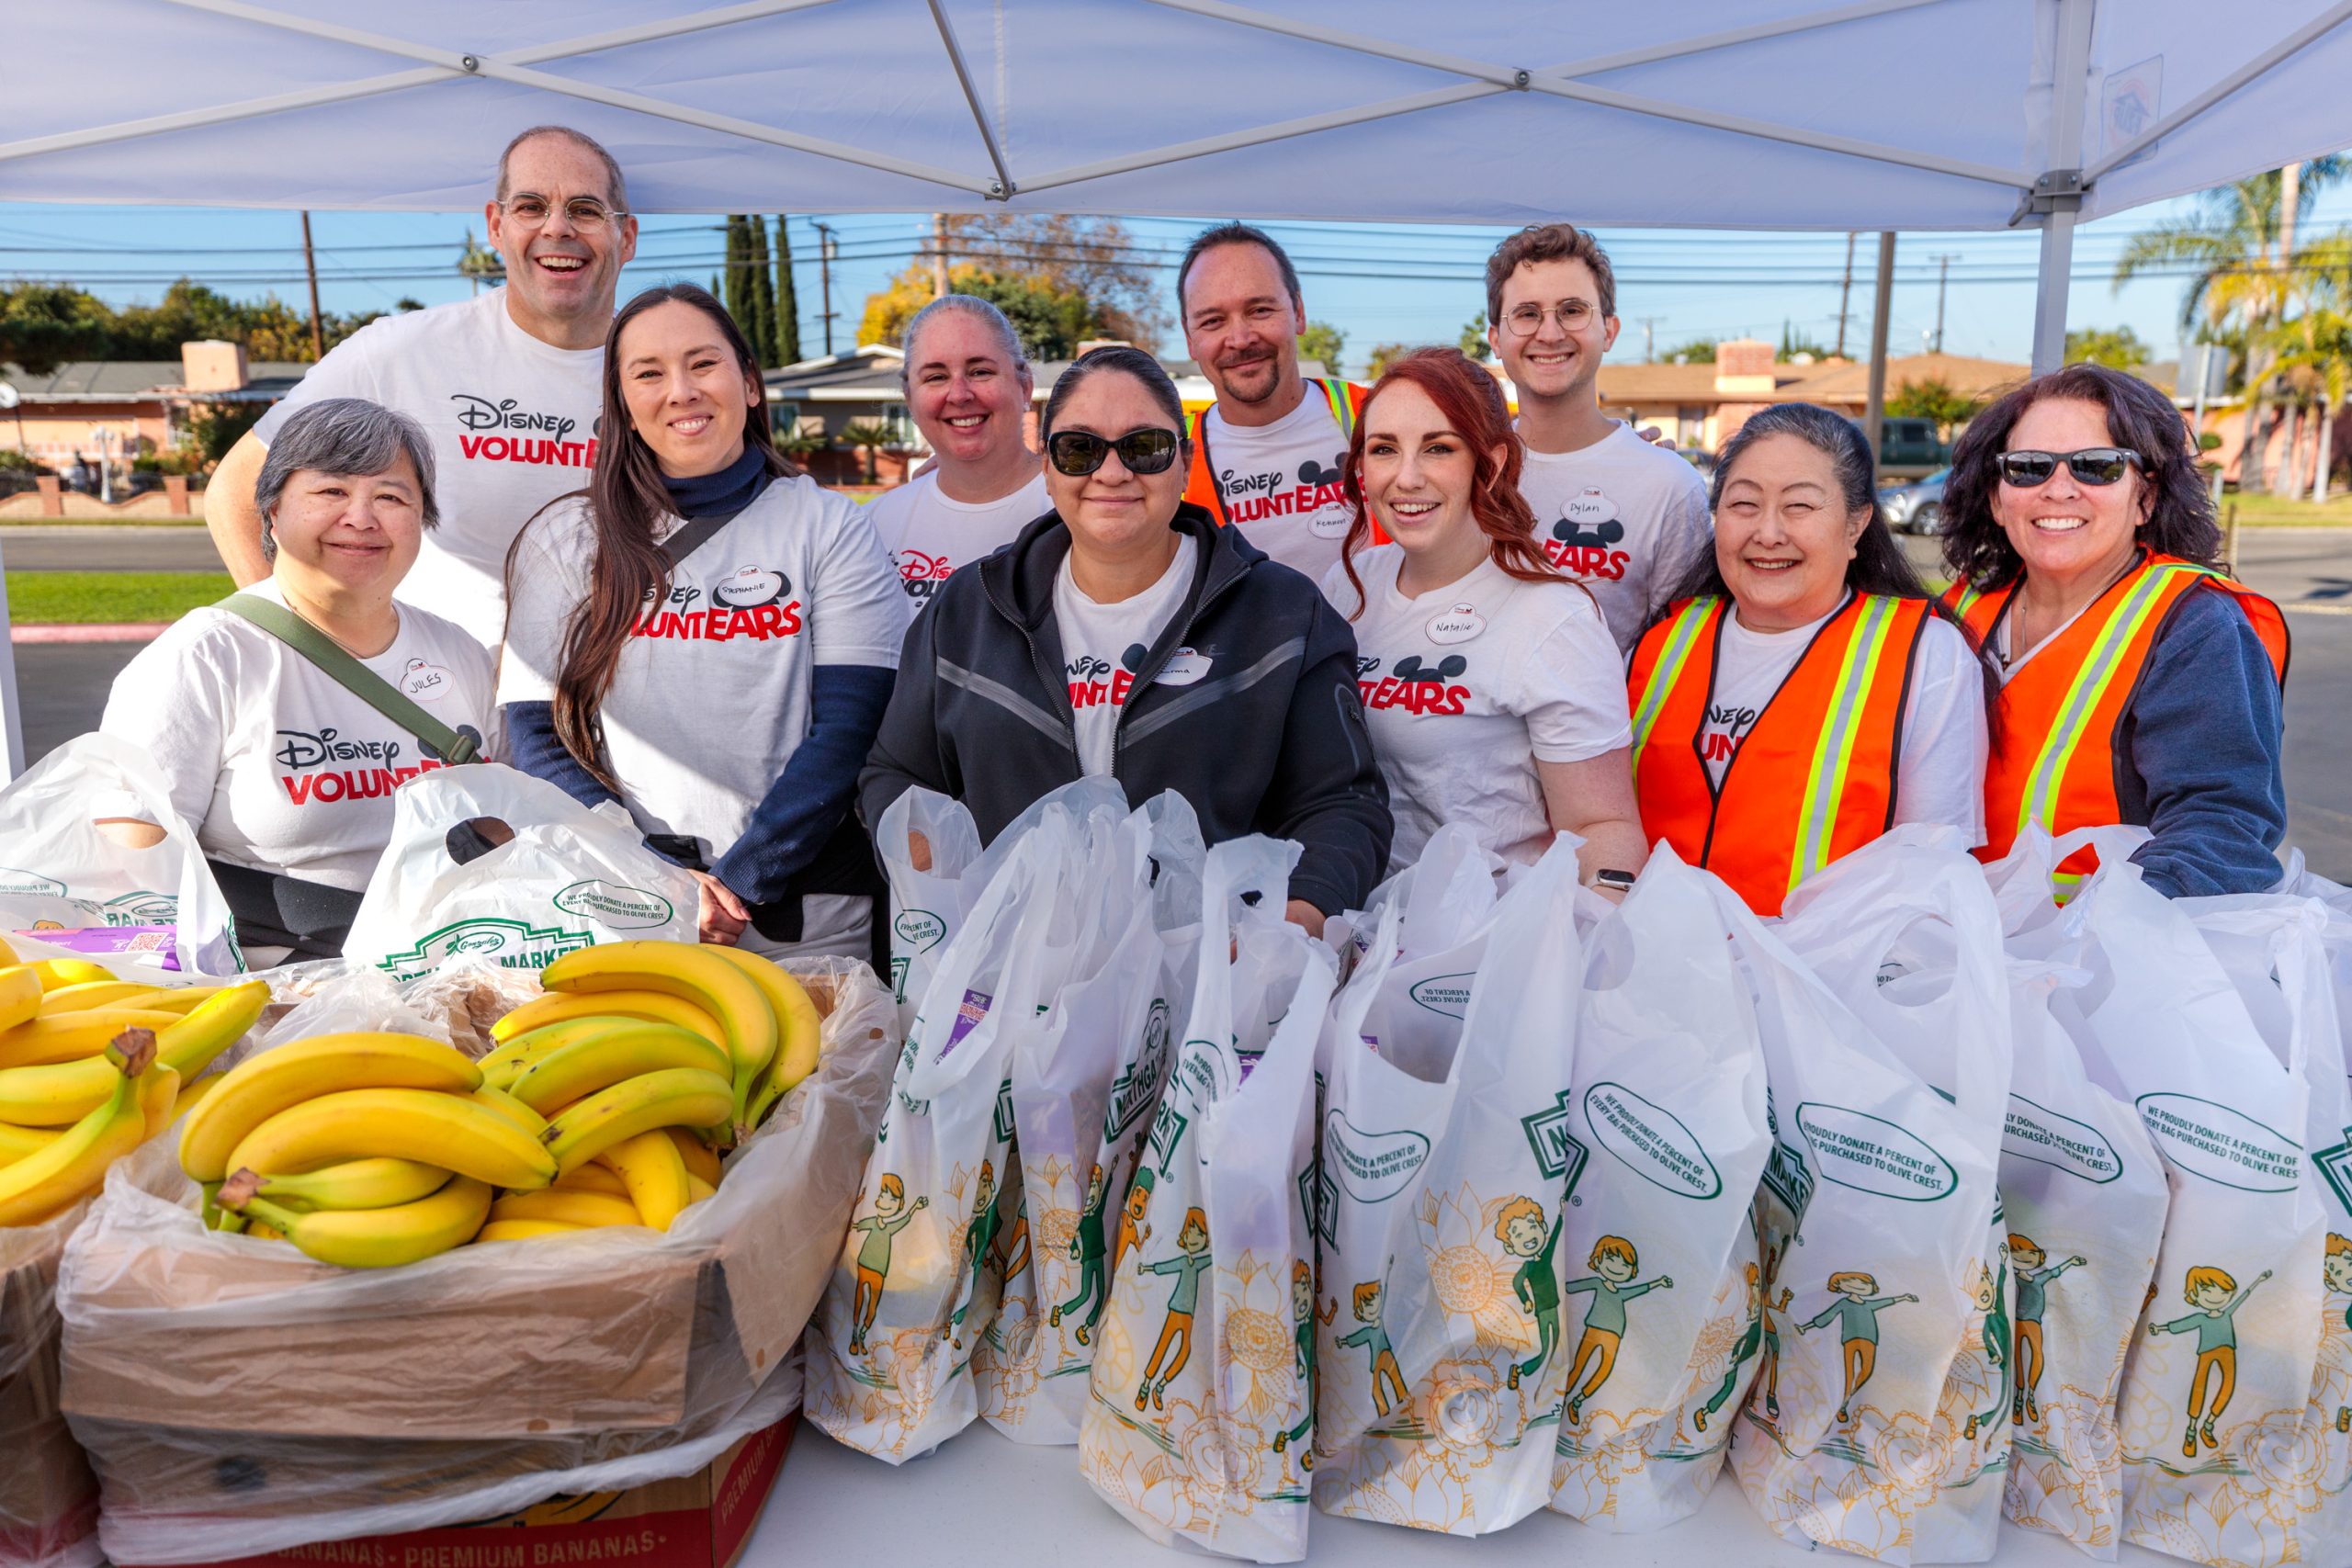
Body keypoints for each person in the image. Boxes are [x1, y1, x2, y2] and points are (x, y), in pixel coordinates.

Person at [861, 344, 1390, 934]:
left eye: (1144, 448)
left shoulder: (1283, 614)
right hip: (1008, 982)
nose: (1112, 473)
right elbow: (895, 772)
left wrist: (1292, 922)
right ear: (1047, 466)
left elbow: (1343, 806)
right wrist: (936, 875)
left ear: (1184, 462)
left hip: (1209, 983)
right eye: (1079, 449)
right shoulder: (966, 609)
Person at [501, 284, 909, 959]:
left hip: (804, 917)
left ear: (749, 384)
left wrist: (743, 879)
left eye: (703, 363)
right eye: (649, 373)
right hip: (622, 905)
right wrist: (648, 879)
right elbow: (537, 739)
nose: (681, 390)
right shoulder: (564, 539)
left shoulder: (827, 524)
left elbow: (852, 727)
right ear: (624, 406)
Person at [207, 127, 639, 649]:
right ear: (496, 226)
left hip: (608, 702)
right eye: (530, 206)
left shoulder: (665, 374)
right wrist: (296, 647)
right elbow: (236, 491)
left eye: (586, 210)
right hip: (432, 706)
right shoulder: (397, 352)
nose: (557, 228)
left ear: (627, 237)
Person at [100, 399, 496, 958]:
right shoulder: (206, 657)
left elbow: (504, 823)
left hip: (455, 978)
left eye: (391, 496)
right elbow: (131, 870)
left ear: (421, 520)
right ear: (271, 513)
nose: (361, 517)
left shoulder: (460, 655)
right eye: (330, 492)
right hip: (272, 998)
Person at [1939, 364, 2289, 897]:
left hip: (2107, 961)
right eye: (2027, 467)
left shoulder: (2195, 628)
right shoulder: (1958, 612)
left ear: (2146, 497)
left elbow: (2222, 830)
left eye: (2096, 467)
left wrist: (2085, 948)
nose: (2058, 490)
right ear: (1995, 498)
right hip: (1954, 948)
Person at [1626, 403, 1988, 917]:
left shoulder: (1924, 653)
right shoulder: (1659, 644)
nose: (1768, 532)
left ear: (1857, 523)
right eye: (1744, 504)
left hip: (1826, 979)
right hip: (1656, 970)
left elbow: (1930, 869)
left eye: (1800, 507)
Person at [1323, 347, 1643, 883]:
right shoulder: (1349, 586)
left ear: (1489, 464)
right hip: (1356, 927)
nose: (1406, 478)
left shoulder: (1552, 618)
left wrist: (1571, 949)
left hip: (1489, 940)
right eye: (1384, 449)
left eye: (1438, 448)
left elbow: (1604, 824)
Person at [1485, 225, 1713, 657]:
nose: (1549, 334)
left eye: (1572, 310)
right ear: (1496, 338)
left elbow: (1684, 651)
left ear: (1609, 330)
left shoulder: (1667, 485)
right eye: (1527, 313)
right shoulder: (1471, 472)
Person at [1177, 223, 1370, 581]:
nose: (1240, 338)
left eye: (1260, 310)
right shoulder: (1171, 461)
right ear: (1190, 338)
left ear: (1298, 312)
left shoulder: (1377, 417)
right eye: (1213, 321)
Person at [865, 295, 1049, 607]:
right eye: (936, 377)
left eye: (980, 372)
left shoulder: (1073, 510)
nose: (960, 394)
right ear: (909, 398)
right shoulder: (872, 527)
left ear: (1025, 386)